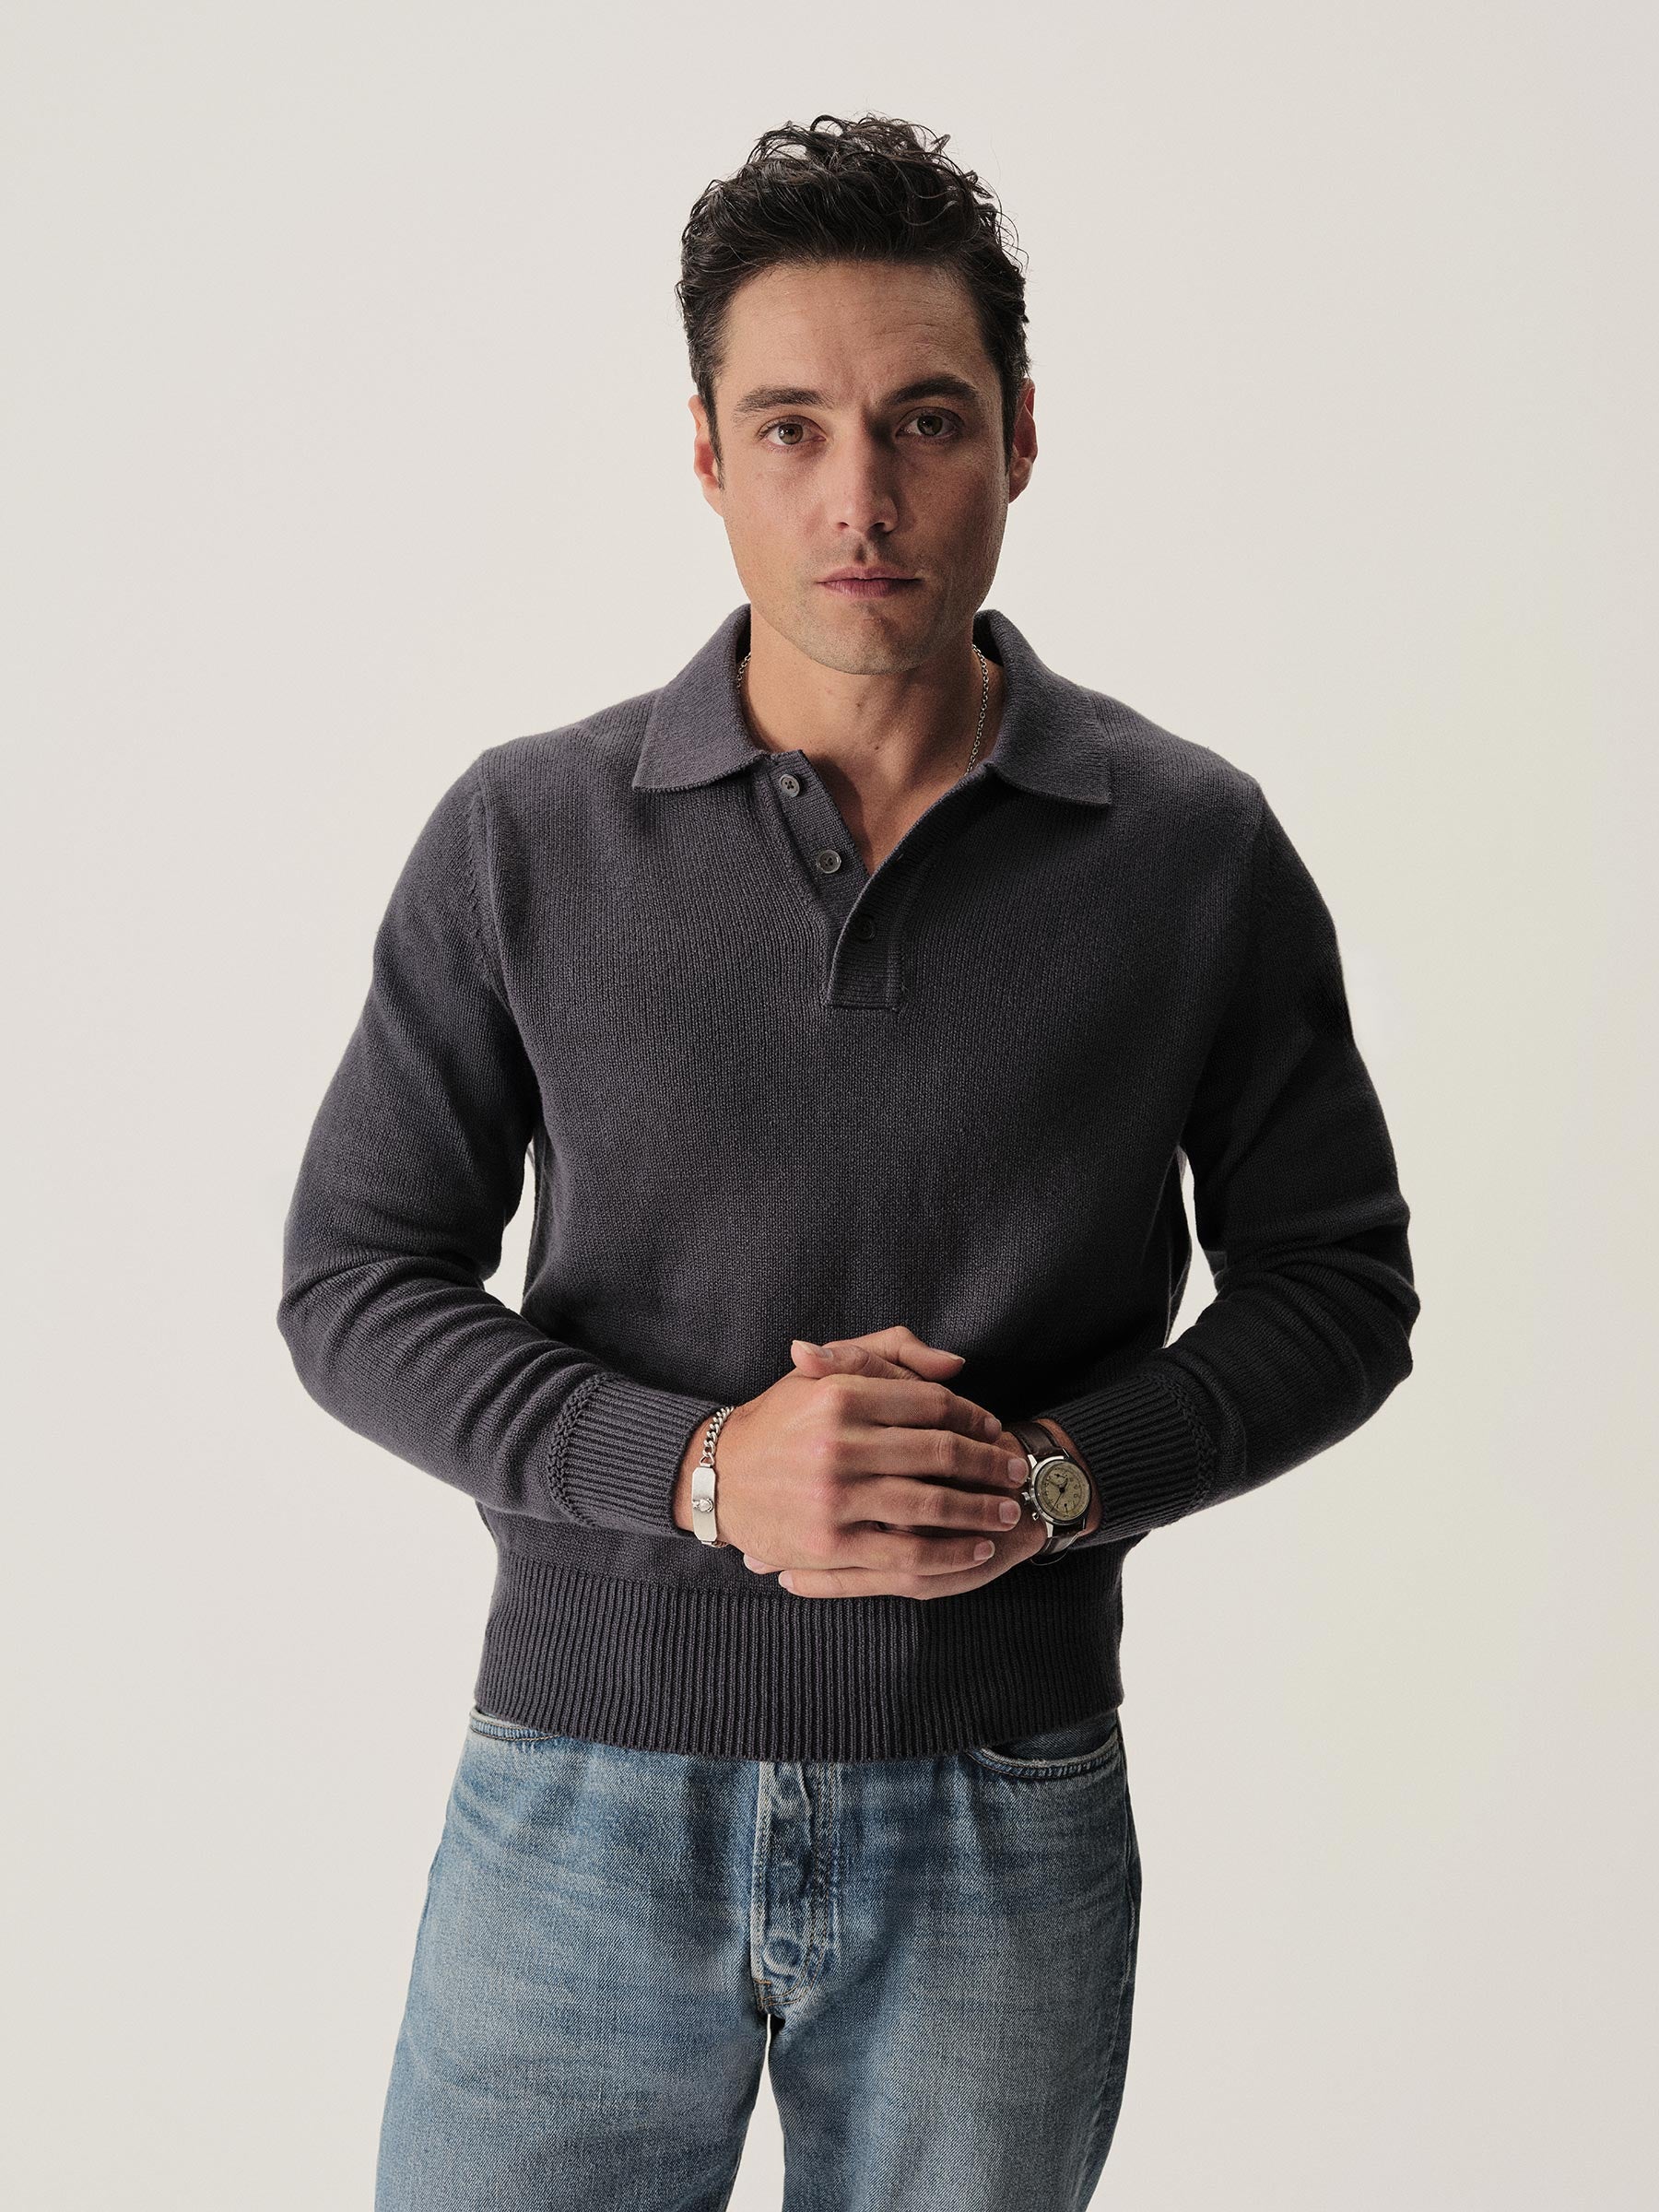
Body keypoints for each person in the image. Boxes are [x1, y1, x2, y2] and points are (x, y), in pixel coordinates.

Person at [277, 112, 1419, 2212]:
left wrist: (1046, 1482)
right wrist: (708, 1470)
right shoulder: (527, 834)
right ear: (709, 457)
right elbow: (354, 1283)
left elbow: (1341, 1288)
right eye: (791, 428)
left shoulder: (1190, 850)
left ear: (1022, 439)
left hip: (1000, 1806)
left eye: (926, 422)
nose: (861, 498)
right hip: (581, 1790)